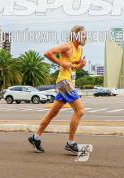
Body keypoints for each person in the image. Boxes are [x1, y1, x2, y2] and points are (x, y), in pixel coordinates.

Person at [28, 25, 87, 155]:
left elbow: (72, 67)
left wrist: (80, 66)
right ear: (75, 35)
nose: (85, 36)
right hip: (63, 82)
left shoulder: (80, 49)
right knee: (80, 111)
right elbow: (47, 53)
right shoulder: (67, 46)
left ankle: (35, 138)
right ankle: (71, 143)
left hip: (68, 82)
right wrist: (60, 63)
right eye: (83, 34)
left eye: (85, 34)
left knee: (52, 113)